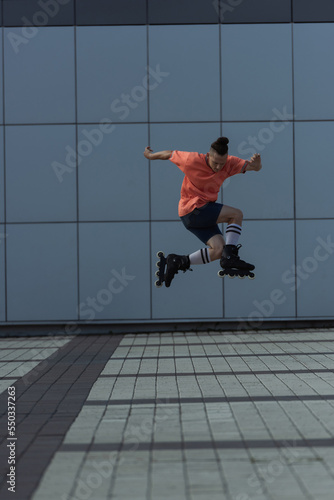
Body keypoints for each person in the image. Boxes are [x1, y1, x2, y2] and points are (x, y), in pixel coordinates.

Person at [144, 137, 262, 287]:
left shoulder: (230, 163)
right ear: (208, 156)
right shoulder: (192, 160)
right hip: (193, 209)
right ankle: (230, 256)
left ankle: (178, 261)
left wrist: (257, 165)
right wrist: (149, 155)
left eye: (222, 163)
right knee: (236, 214)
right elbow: (169, 154)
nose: (218, 167)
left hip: (198, 216)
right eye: (215, 162)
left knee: (218, 249)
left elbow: (254, 167)